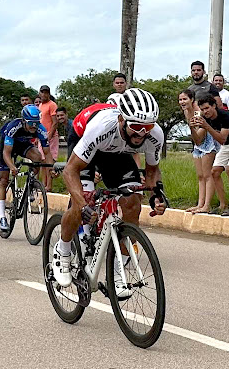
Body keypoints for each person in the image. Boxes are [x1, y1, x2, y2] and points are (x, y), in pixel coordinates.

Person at [51, 88, 167, 295]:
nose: (142, 133)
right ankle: (63, 249)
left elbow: (152, 172)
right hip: (85, 139)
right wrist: (82, 203)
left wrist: (156, 195)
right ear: (122, 119)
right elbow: (70, 171)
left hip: (118, 151)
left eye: (147, 126)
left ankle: (117, 271)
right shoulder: (101, 127)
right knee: (81, 205)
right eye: (137, 126)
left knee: (132, 203)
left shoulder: (154, 135)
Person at [0, 105, 51, 230]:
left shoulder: (40, 129)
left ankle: (31, 183)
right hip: (7, 146)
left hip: (22, 145)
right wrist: (12, 167)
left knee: (37, 156)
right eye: (31, 123)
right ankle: (2, 217)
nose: (34, 126)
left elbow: (47, 153)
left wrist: (51, 168)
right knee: (3, 180)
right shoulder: (14, 127)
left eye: (36, 123)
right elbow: (6, 153)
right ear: (24, 121)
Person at [194, 94, 229, 217]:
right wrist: (192, 127)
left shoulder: (226, 116)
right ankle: (223, 205)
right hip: (228, 145)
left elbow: (221, 139)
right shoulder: (206, 119)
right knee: (214, 172)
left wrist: (206, 126)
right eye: (202, 109)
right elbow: (198, 140)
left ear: (214, 106)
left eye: (207, 108)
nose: (205, 111)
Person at [179, 89, 218, 213]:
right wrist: (192, 129)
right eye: (180, 99)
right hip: (198, 142)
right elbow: (195, 136)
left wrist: (192, 129)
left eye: (185, 99)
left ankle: (207, 205)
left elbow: (199, 137)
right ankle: (200, 204)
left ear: (192, 100)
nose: (182, 102)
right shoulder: (186, 112)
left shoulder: (199, 112)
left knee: (208, 175)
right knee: (200, 175)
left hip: (208, 141)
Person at [38, 85, 58, 190]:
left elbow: (55, 122)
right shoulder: (40, 105)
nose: (44, 94)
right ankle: (43, 183)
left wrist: (49, 136)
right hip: (41, 135)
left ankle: (49, 185)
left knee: (49, 161)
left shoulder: (52, 105)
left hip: (50, 136)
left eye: (46, 92)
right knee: (42, 161)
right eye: (42, 92)